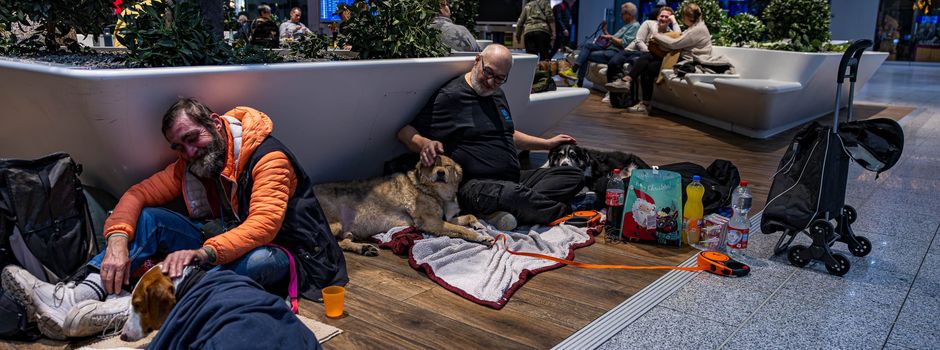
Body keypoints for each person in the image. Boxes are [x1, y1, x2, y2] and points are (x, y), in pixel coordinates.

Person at [2, 98, 349, 339]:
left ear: (213, 124)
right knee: (150, 218)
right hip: (224, 243)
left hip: (290, 255)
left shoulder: (269, 157)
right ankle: (79, 295)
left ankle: (138, 306)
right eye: (179, 147)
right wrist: (117, 243)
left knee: (258, 259)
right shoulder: (194, 164)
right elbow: (137, 194)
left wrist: (202, 253)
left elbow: (263, 227)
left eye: (192, 139)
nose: (189, 152)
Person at [396, 44, 584, 230]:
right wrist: (426, 144)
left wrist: (547, 144)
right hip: (474, 185)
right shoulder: (451, 96)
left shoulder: (496, 94)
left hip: (512, 179)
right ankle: (566, 211)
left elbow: (509, 134)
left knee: (573, 175)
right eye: (488, 73)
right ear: (478, 59)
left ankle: (508, 208)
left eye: (500, 78)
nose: (491, 82)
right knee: (512, 195)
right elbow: (405, 133)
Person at [617, 3, 711, 114]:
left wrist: (656, 35)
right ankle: (639, 97)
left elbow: (675, 43)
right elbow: (678, 40)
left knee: (648, 63)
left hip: (689, 62)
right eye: (662, 16)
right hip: (678, 58)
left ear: (686, 17)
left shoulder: (697, 29)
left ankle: (629, 83)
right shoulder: (694, 27)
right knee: (648, 62)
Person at [559, 3, 640, 87]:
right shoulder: (627, 26)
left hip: (615, 52)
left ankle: (576, 77)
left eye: (622, 14)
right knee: (587, 45)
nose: (621, 16)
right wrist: (605, 31)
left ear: (629, 14)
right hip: (609, 48)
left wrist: (610, 37)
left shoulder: (635, 26)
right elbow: (615, 39)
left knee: (586, 55)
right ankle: (575, 74)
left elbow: (624, 43)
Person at [605, 6, 681, 91]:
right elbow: (639, 41)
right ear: (657, 17)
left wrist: (674, 21)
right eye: (661, 16)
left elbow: (679, 37)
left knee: (636, 63)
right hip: (631, 50)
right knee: (613, 62)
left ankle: (625, 87)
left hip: (643, 55)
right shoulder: (648, 23)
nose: (663, 18)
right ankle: (610, 91)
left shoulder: (670, 32)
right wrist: (650, 51)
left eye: (667, 17)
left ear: (670, 20)